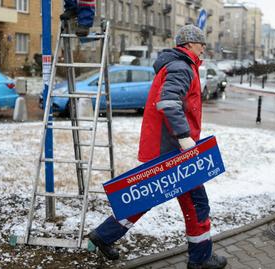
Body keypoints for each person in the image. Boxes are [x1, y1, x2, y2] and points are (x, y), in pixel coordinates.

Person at [88, 25, 228, 269]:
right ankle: (200, 259)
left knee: (149, 196)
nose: (204, 47)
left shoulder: (177, 64)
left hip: (167, 146)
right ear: (189, 45)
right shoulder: (182, 67)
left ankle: (104, 234)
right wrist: (184, 137)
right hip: (176, 150)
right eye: (201, 43)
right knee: (197, 204)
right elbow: (169, 102)